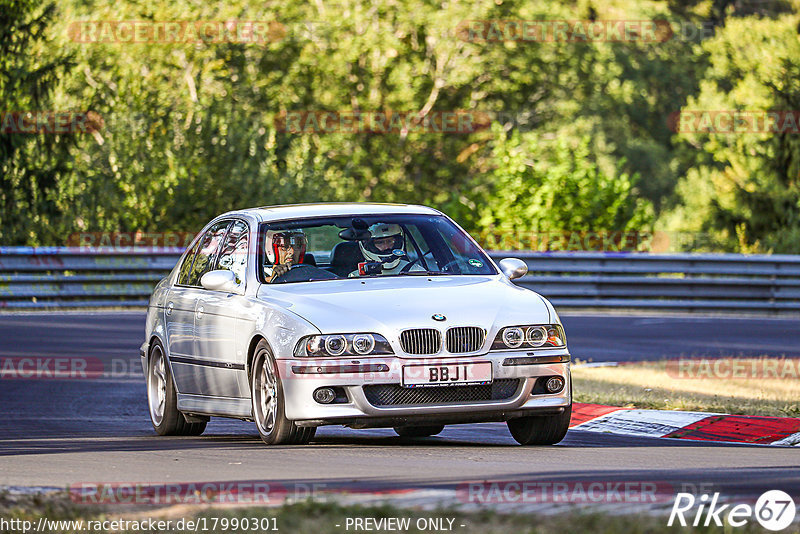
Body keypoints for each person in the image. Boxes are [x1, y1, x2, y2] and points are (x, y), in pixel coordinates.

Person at [350, 223, 425, 276]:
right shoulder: (356, 276)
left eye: (390, 241)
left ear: (397, 242)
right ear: (369, 245)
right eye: (380, 242)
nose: (386, 247)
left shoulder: (415, 271)